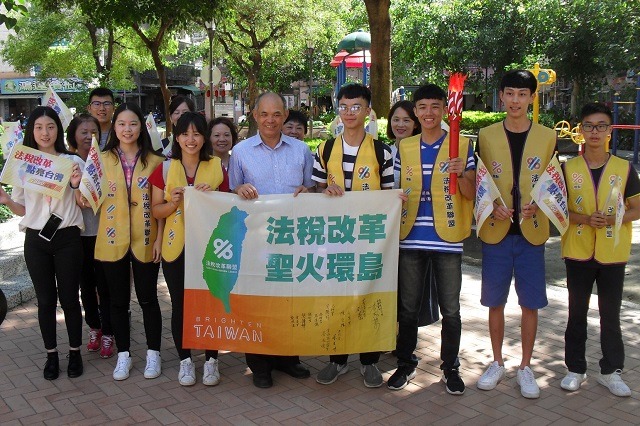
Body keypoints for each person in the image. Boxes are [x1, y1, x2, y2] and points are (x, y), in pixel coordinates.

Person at [387, 84, 475, 394]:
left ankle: (450, 367)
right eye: (422, 107)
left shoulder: (461, 145)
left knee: (451, 309)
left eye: (435, 106)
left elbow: (471, 193)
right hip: (410, 238)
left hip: (447, 239)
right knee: (408, 308)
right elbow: (393, 190)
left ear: (444, 110)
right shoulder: (405, 147)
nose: (428, 113)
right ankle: (405, 363)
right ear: (416, 112)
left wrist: (461, 174)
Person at [475, 70, 557, 399]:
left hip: (531, 233)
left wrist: (541, 204)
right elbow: (479, 180)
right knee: (494, 301)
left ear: (532, 98)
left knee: (530, 303)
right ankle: (496, 362)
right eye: (509, 93)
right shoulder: (486, 135)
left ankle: (525, 366)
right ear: (501, 96)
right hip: (496, 230)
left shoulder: (548, 137)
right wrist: (492, 204)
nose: (515, 100)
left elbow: (554, 183)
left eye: (522, 94)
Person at [228, 92, 315, 389]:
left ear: (285, 115)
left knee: (290, 299)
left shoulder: (302, 150)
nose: (270, 120)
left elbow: (310, 188)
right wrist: (239, 188)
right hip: (255, 240)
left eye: (277, 114)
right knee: (258, 301)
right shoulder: (241, 152)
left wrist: (308, 192)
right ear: (255, 115)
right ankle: (259, 364)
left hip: (293, 238)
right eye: (264, 114)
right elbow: (232, 190)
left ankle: (288, 358)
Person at [312, 83, 393, 388]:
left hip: (371, 240)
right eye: (343, 107)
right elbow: (316, 190)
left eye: (356, 107)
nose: (349, 113)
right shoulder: (324, 149)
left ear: (368, 110)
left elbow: (389, 195)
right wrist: (322, 191)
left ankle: (370, 361)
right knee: (336, 298)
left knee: (369, 297)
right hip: (335, 239)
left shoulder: (383, 152)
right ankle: (337, 359)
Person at [560, 103, 640, 397]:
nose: (595, 132)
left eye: (601, 126)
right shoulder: (568, 169)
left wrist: (612, 219)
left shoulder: (624, 168)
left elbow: (637, 208)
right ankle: (575, 369)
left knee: (610, 315)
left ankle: (611, 371)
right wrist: (584, 219)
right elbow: (557, 209)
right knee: (576, 313)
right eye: (589, 126)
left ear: (609, 131)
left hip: (612, 252)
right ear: (581, 130)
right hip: (578, 251)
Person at [0, 106, 85, 380]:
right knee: (46, 300)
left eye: (50, 126)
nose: (45, 133)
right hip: (36, 239)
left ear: (58, 130)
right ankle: (51, 355)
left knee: (70, 298)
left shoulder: (72, 162)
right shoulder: (23, 164)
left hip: (68, 237)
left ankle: (75, 352)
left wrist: (75, 184)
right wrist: (7, 201)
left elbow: (86, 202)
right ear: (31, 131)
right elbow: (22, 209)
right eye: (39, 127)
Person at [150, 112, 230, 386]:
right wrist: (173, 202)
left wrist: (213, 196)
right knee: (180, 305)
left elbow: (229, 208)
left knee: (211, 303)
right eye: (185, 134)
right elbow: (156, 211)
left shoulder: (217, 167)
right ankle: (185, 361)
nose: (191, 139)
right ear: (177, 137)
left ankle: (211, 361)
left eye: (196, 133)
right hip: (176, 246)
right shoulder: (164, 169)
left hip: (210, 247)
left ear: (204, 137)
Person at [94, 102, 165, 381]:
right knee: (117, 302)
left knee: (148, 299)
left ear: (141, 127)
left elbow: (161, 204)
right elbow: (86, 200)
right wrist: (77, 184)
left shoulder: (156, 161)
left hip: (146, 237)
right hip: (112, 238)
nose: (127, 129)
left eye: (133, 123)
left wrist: (160, 238)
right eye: (122, 124)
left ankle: (153, 353)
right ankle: (123, 354)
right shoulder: (101, 159)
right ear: (114, 127)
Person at [387, 100, 440, 328]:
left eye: (406, 120)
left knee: (412, 287)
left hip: (416, 230)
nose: (400, 125)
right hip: (386, 231)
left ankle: (406, 335)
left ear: (416, 123)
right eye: (396, 119)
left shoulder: (425, 152)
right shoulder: (383, 152)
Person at [66, 114, 115, 359]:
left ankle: (109, 332)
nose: (89, 136)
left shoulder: (107, 161)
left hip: (104, 232)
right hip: (78, 235)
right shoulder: (68, 163)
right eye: (83, 132)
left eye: (93, 132)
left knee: (105, 286)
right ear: (73, 136)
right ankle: (94, 328)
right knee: (86, 286)